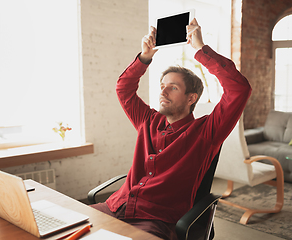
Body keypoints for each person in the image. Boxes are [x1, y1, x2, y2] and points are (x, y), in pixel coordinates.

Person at [91, 18, 252, 240]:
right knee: (66, 227)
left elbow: (239, 89)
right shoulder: (148, 121)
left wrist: (200, 50)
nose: (163, 92)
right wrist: (144, 57)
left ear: (191, 98)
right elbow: (124, 89)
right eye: (162, 86)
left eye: (173, 88)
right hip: (117, 205)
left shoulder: (206, 132)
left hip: (155, 220)